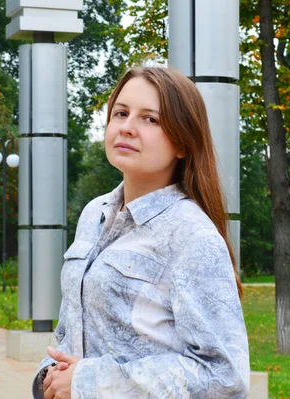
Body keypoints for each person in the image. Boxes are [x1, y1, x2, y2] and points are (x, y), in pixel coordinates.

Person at [33, 66, 250, 399]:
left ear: (182, 142)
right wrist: (47, 377)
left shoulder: (191, 235)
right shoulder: (95, 214)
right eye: (121, 113)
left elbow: (224, 376)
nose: (127, 128)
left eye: (151, 119)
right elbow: (71, 329)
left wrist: (88, 382)